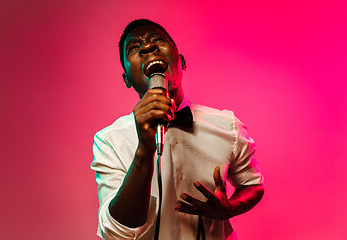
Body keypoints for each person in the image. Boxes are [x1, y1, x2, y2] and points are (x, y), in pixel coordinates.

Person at [91, 19, 264, 240]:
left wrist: (229, 208)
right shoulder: (109, 140)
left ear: (180, 61)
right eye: (135, 48)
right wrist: (144, 149)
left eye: (157, 41)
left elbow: (253, 185)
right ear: (127, 79)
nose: (147, 47)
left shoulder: (227, 125)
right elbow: (116, 232)